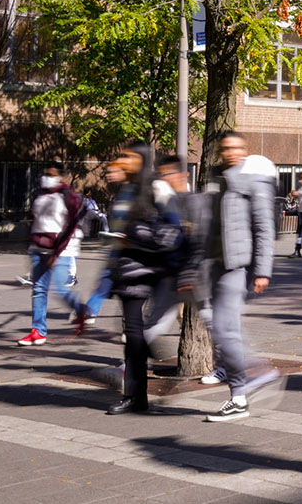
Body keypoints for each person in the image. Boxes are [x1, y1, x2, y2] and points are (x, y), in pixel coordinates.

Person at [204, 131, 278, 422]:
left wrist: (262, 271)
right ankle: (255, 375)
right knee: (219, 328)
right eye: (226, 148)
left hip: (235, 266)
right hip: (209, 265)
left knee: (225, 330)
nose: (232, 153)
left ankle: (239, 396)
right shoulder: (215, 179)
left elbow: (264, 228)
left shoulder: (253, 182)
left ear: (244, 150)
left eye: (237, 148)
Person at [106, 145, 185, 415]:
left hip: (149, 271)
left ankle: (136, 397)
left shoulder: (156, 187)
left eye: (126, 156)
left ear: (141, 159)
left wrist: (134, 236)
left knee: (135, 335)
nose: (120, 160)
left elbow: (173, 230)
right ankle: (136, 396)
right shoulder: (125, 189)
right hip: (126, 270)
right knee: (132, 335)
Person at [16, 164, 86, 345]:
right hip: (39, 248)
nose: (46, 177)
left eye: (50, 174)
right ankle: (38, 331)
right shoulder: (41, 196)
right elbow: (35, 221)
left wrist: (57, 252)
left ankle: (80, 310)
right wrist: (30, 246)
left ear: (61, 177)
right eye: (45, 173)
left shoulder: (68, 196)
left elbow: (70, 227)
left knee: (61, 290)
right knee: (39, 290)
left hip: (62, 249)